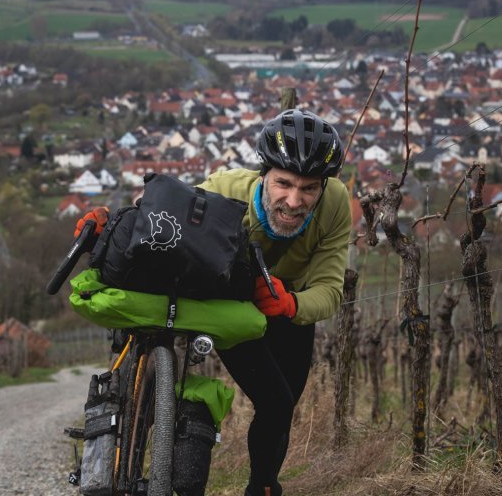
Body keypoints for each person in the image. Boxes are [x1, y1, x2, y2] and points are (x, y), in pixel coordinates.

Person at [75, 109, 352, 495]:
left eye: (309, 188)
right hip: (224, 296)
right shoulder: (224, 190)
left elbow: (330, 287)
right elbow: (164, 217)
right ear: (263, 176)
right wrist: (115, 226)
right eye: (284, 184)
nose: (294, 200)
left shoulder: (336, 203)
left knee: (278, 404)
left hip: (287, 299)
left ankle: (262, 486)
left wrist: (291, 305)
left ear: (323, 187)